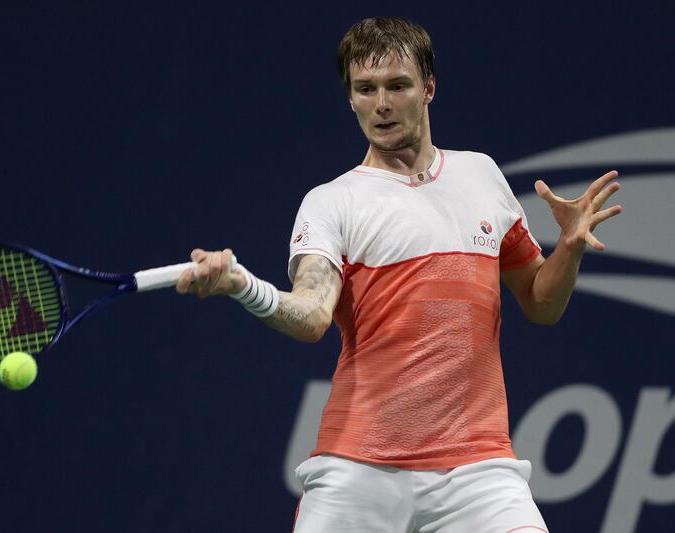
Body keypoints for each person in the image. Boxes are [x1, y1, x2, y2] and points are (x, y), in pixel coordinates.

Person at [176, 16, 622, 533]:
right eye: (365, 89)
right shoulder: (332, 203)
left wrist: (568, 248)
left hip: (478, 471)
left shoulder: (482, 176)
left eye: (397, 86)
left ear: (428, 88)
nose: (381, 103)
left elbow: (541, 303)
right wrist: (242, 286)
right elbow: (311, 315)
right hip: (358, 471)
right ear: (350, 99)